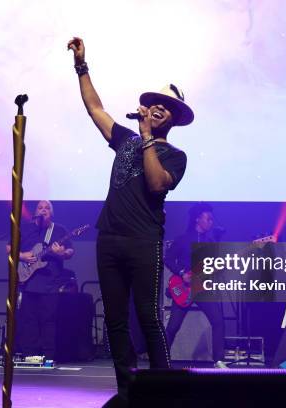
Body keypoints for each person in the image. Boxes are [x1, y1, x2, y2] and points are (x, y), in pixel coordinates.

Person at [67, 36, 192, 401]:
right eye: (153, 104)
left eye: (165, 108)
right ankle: (128, 393)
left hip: (144, 242)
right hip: (109, 238)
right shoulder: (124, 140)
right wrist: (81, 65)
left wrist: (148, 138)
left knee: (149, 318)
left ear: (174, 119)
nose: (156, 109)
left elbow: (156, 185)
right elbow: (95, 109)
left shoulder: (174, 155)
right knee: (116, 321)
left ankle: (163, 393)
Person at [6, 200, 74, 358]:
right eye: (40, 208)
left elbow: (70, 251)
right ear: (35, 211)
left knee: (48, 319)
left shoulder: (59, 230)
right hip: (28, 281)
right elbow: (9, 248)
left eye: (47, 208)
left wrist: (61, 253)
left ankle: (48, 355)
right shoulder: (27, 229)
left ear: (52, 213)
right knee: (29, 319)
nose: (43, 210)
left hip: (51, 283)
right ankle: (30, 354)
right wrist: (22, 256)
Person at [164, 202, 227, 368]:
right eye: (208, 218)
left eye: (212, 219)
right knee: (172, 328)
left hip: (202, 288)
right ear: (197, 219)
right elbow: (168, 259)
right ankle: (161, 359)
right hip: (183, 289)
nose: (211, 222)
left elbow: (213, 266)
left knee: (218, 321)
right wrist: (181, 273)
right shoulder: (182, 239)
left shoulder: (211, 242)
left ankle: (218, 360)